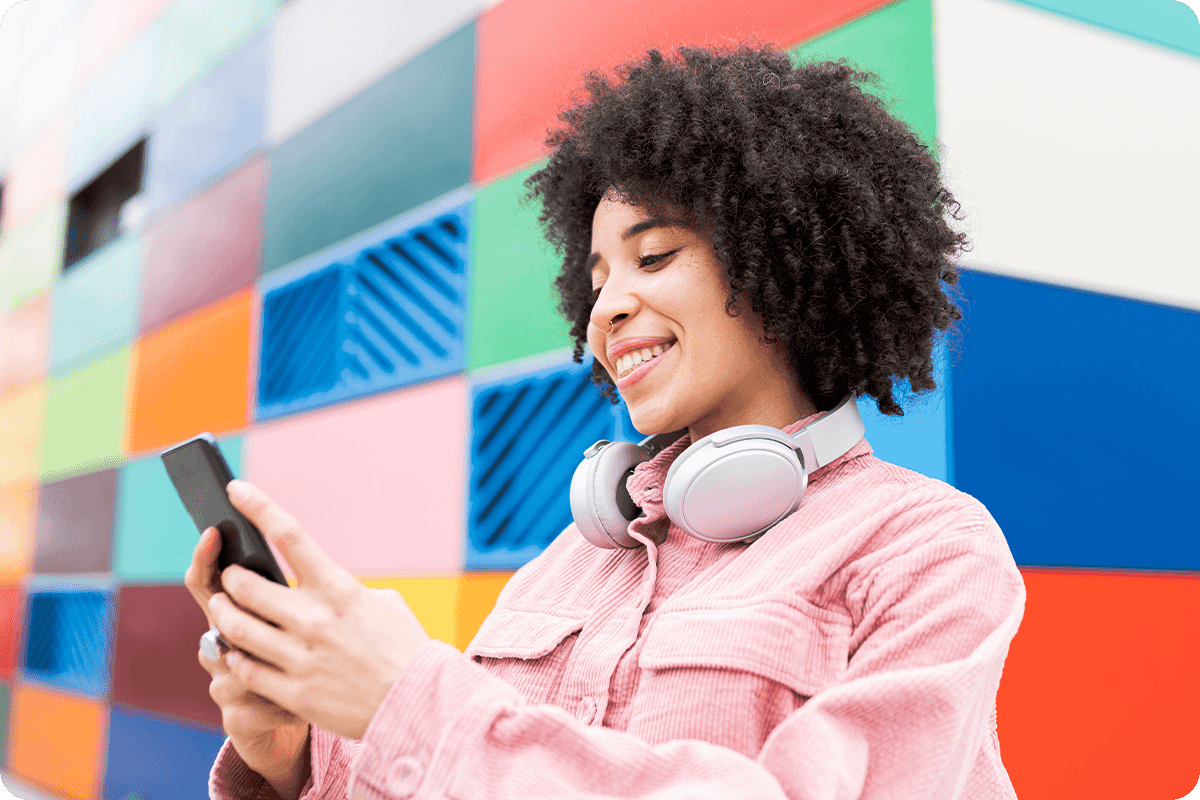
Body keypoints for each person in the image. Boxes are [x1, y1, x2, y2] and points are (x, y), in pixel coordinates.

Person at [187, 43, 1025, 800]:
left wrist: (410, 700)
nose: (606, 310)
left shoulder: (927, 551)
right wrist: (295, 756)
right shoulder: (571, 561)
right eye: (595, 280)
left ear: (781, 261)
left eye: (653, 257)